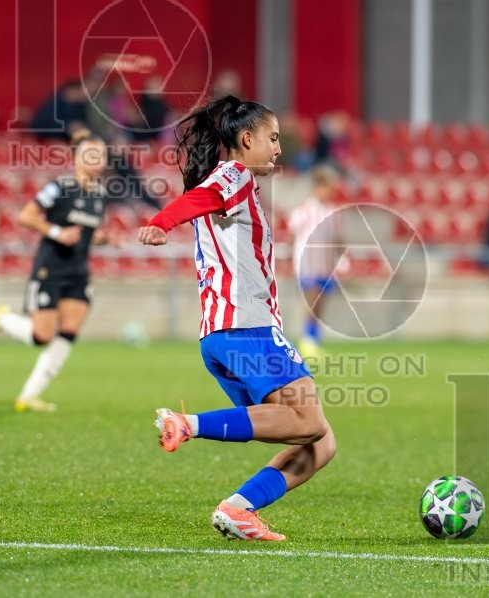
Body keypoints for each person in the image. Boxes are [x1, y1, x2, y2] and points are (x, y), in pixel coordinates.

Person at [137, 95, 335, 542]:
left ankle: (238, 508)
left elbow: (202, 200)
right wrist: (162, 223)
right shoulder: (236, 175)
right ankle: (187, 424)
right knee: (310, 424)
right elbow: (199, 198)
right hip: (247, 328)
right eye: (273, 137)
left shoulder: (232, 182)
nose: (279, 148)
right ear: (247, 139)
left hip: (223, 336)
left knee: (320, 443)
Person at [0, 131, 113, 412]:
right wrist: (57, 232)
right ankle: (3, 319)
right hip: (51, 268)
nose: (97, 160)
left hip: (78, 271)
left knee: (70, 330)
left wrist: (102, 238)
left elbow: (88, 233)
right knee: (42, 336)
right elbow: (25, 216)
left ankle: (27, 396)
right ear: (76, 158)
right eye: (91, 155)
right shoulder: (59, 187)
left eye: (101, 155)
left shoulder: (99, 194)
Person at [287, 165, 344, 358]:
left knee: (320, 304)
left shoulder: (333, 212)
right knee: (312, 300)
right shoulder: (303, 210)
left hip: (326, 266)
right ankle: (307, 341)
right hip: (307, 264)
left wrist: (342, 259)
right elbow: (292, 236)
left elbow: (337, 239)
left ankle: (313, 340)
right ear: (317, 187)